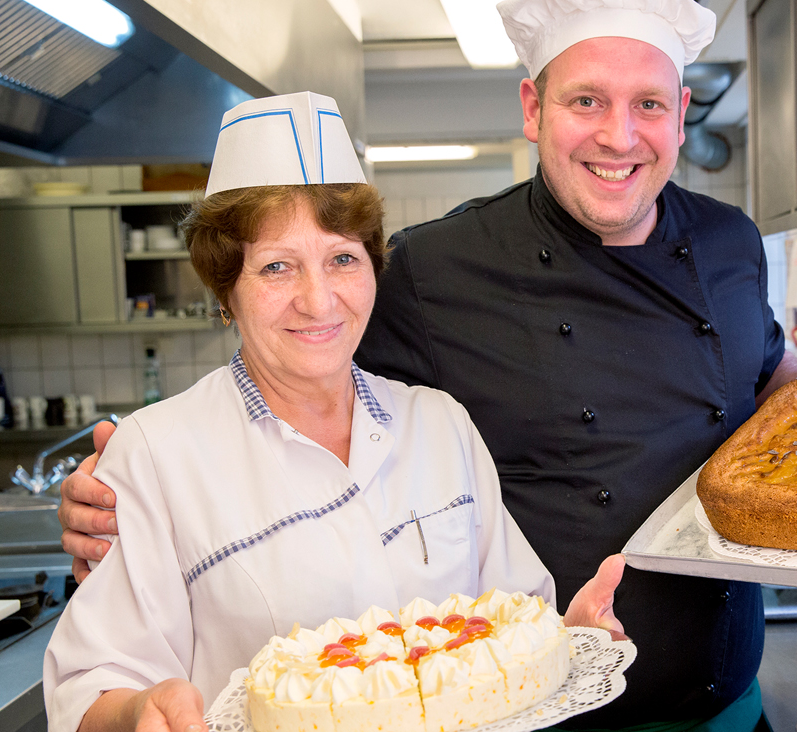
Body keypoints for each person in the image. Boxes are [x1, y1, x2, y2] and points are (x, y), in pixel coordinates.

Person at [58, 2, 797, 729]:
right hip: (564, 716)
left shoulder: (731, 239)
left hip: (721, 697)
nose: (619, 135)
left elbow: (765, 368)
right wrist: (127, 485)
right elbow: (295, 376)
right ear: (533, 109)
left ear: (680, 116)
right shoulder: (436, 271)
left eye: (647, 102)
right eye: (585, 100)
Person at [43, 92, 624, 732]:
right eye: (276, 267)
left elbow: (514, 619)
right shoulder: (157, 454)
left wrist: (566, 639)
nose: (318, 301)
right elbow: (91, 684)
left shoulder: (439, 423)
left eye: (343, 258)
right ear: (225, 287)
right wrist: (135, 715)